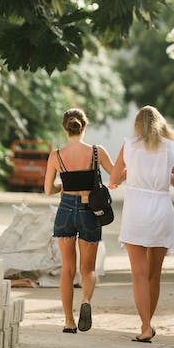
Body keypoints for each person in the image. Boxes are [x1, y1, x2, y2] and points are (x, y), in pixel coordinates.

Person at [108, 105, 174, 342]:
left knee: (138, 275)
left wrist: (128, 173)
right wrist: (164, 174)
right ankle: (147, 324)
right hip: (161, 210)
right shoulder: (172, 148)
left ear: (137, 125)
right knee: (154, 275)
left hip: (136, 213)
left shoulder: (129, 146)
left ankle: (145, 326)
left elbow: (113, 179)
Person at [44, 107, 114, 334]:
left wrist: (65, 184)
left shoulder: (56, 155)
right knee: (88, 269)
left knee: (67, 269)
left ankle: (68, 321)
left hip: (65, 210)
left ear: (65, 128)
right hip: (89, 211)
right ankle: (85, 300)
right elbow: (114, 177)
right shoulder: (96, 152)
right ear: (85, 126)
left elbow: (48, 190)